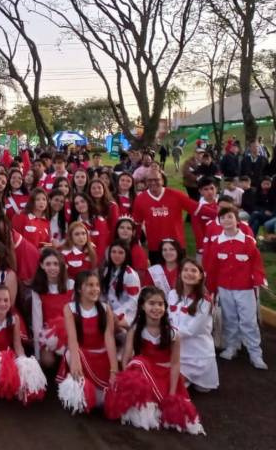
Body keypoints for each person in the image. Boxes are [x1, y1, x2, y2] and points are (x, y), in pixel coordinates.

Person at [106, 287, 204, 434]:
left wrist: (172, 392)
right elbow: (126, 359)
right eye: (152, 303)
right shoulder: (135, 329)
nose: (156, 308)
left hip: (164, 376)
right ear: (142, 306)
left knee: (175, 415)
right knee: (138, 362)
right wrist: (126, 385)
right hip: (144, 376)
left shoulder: (173, 333)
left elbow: (176, 364)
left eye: (160, 304)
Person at [203, 205, 267, 369]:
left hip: (245, 288)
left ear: (237, 220)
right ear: (219, 221)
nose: (226, 220)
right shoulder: (217, 242)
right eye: (222, 218)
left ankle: (255, 353)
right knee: (230, 318)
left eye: (230, 217)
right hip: (224, 287)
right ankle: (232, 346)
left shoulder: (248, 241)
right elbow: (213, 267)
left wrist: (259, 279)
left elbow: (257, 264)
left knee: (248, 320)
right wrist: (211, 288)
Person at [59, 271, 118, 413]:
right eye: (90, 285)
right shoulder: (70, 308)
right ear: (79, 289)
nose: (95, 289)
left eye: (97, 285)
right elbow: (72, 339)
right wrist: (75, 360)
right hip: (82, 353)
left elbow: (109, 339)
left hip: (101, 356)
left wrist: (114, 370)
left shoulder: (105, 309)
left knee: (102, 402)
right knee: (70, 355)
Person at [168, 259, 218, 392]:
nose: (189, 273)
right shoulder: (172, 294)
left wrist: (161, 334)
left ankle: (195, 377)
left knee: (199, 389)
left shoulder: (204, 301)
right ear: (180, 274)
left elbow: (189, 331)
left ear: (201, 276)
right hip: (175, 351)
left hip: (196, 356)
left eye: (194, 270)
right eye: (185, 270)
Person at [132, 169, 197, 263]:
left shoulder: (176, 195)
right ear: (146, 182)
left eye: (156, 179)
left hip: (177, 245)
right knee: (158, 275)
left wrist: (220, 213)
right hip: (155, 247)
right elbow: (137, 223)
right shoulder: (140, 199)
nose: (153, 182)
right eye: (149, 180)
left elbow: (196, 208)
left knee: (179, 275)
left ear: (162, 180)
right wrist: (135, 243)